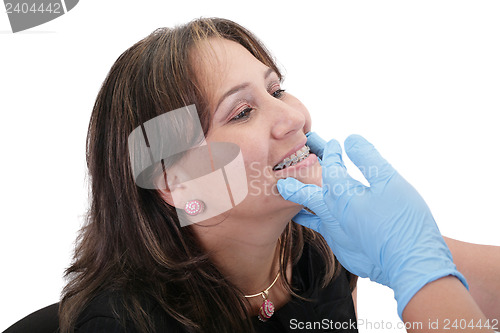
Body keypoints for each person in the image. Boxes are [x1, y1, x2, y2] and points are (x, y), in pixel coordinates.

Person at [58, 17, 499, 332]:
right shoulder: (123, 323)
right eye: (243, 111)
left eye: (277, 89)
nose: (293, 117)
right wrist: (411, 263)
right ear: (178, 182)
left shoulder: (324, 252)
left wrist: (413, 249)